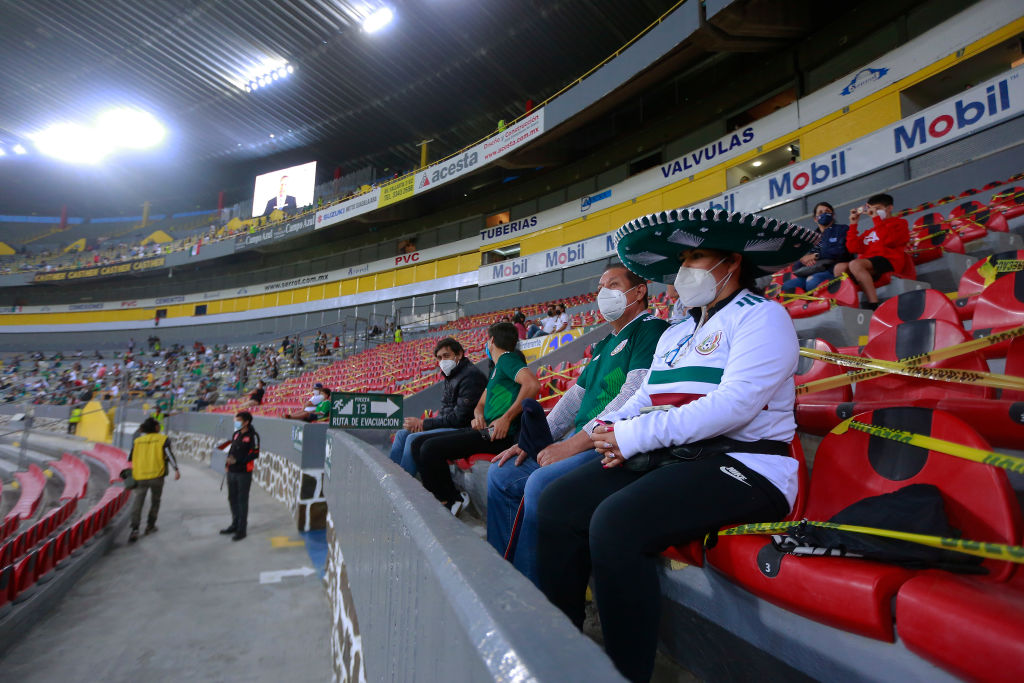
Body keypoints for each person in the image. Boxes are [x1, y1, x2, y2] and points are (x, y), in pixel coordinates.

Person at [535, 208, 819, 682]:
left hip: (745, 466)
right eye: (683, 258)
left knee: (615, 522)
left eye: (698, 256)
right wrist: (603, 431)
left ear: (732, 263)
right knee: (559, 501)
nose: (685, 268)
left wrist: (633, 436)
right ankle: (563, 648)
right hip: (677, 456)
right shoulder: (679, 331)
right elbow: (646, 396)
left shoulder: (764, 317)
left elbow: (734, 406)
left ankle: (623, 672)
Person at [487, 265, 668, 585]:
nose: (603, 293)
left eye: (613, 284)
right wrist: (532, 441)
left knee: (541, 485)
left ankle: (535, 595)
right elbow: (571, 401)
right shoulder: (602, 346)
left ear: (639, 292)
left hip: (608, 443)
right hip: (582, 440)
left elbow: (633, 397)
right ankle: (504, 576)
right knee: (501, 473)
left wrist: (575, 443)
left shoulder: (651, 329)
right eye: (600, 286)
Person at [412, 323, 540, 515]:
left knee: (429, 449)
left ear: (492, 341)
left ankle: (451, 499)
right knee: (417, 443)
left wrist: (506, 418)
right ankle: (443, 498)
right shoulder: (497, 369)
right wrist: (478, 416)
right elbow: (480, 404)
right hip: (484, 429)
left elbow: (532, 384)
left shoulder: (507, 359)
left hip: (498, 435)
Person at [389, 338, 487, 475]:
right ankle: (390, 477)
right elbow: (446, 411)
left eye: (446, 356)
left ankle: (403, 486)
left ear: (459, 354)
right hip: (448, 424)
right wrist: (423, 425)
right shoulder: (451, 375)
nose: (443, 361)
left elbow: (459, 419)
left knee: (412, 439)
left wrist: (425, 423)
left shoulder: (471, 377)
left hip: (463, 429)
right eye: (440, 358)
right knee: (401, 434)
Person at [836, 193, 911, 309]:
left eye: (878, 209)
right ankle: (849, 303)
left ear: (889, 208)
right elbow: (853, 248)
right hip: (868, 264)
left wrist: (876, 219)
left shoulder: (900, 223)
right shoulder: (870, 231)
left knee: (855, 264)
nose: (875, 212)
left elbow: (888, 241)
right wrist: (853, 224)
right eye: (872, 209)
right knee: (839, 268)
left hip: (889, 261)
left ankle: (873, 304)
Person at [127, 417, 180, 543]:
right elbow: (169, 455)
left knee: (138, 502)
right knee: (155, 501)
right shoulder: (162, 439)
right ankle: (150, 525)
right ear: (155, 427)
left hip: (140, 476)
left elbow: (130, 459)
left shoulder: (137, 441)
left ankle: (135, 528)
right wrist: (176, 470)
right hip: (157, 475)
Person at [781, 201, 852, 293]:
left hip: (833, 270)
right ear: (815, 219)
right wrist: (804, 259)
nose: (824, 214)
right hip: (811, 271)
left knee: (812, 281)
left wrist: (815, 256)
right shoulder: (810, 237)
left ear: (833, 215)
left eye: (827, 211)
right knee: (788, 286)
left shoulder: (842, 229)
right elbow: (797, 266)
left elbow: (840, 251)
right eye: (820, 212)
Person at [219, 411, 260, 541]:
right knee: (232, 498)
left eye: (238, 420)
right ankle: (234, 524)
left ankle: (242, 529)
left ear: (246, 422)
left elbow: (254, 454)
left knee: (242, 501)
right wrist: (228, 460)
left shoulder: (253, 436)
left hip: (243, 473)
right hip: (231, 471)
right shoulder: (236, 434)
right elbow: (232, 449)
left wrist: (238, 461)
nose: (236, 422)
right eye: (235, 420)